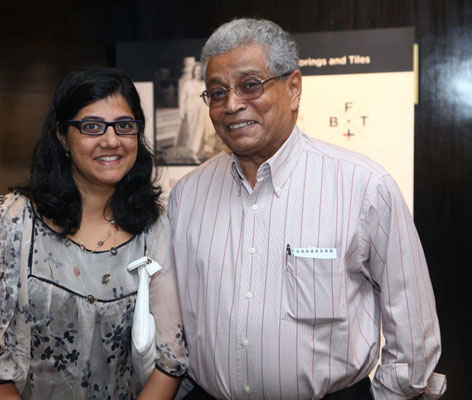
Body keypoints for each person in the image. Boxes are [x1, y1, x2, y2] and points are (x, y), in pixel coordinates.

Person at [168, 18, 445, 400]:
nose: (232, 105)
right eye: (217, 92)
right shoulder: (187, 195)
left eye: (250, 85)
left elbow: (413, 333)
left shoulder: (364, 187)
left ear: (293, 88)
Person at [0, 66, 188, 399]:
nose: (111, 140)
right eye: (91, 126)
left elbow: (171, 357)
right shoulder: (14, 217)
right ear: (63, 136)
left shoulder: (153, 225)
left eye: (124, 125)